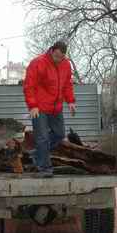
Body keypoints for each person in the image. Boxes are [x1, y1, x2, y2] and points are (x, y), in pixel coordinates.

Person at [23, 41, 76, 178]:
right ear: (52, 51)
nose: (58, 60)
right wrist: (32, 105)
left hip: (56, 108)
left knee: (59, 134)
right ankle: (44, 168)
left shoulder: (66, 64)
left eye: (61, 57)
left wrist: (70, 101)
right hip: (39, 108)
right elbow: (29, 86)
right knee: (43, 138)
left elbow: (67, 85)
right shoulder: (38, 63)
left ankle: (37, 154)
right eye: (57, 56)